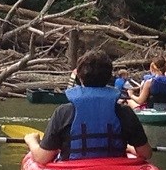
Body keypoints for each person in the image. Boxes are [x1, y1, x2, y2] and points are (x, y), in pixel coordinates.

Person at [24, 49, 153, 164]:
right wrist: (129, 148)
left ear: (80, 78)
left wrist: (31, 141)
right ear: (109, 77)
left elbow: (42, 158)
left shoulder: (63, 112)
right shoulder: (125, 112)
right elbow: (146, 153)